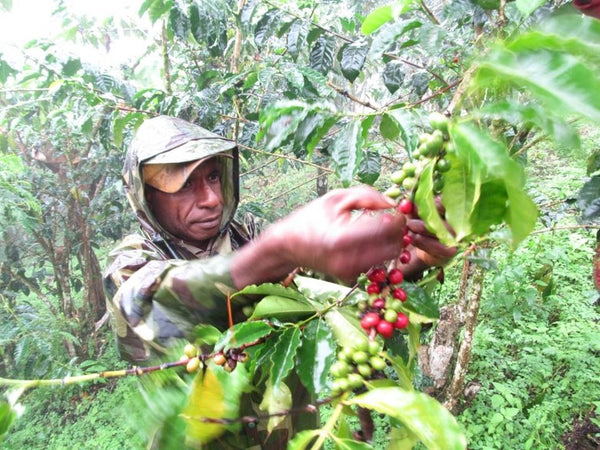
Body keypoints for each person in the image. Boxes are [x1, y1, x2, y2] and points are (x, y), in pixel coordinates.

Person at [102, 115, 455, 447]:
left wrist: (417, 256)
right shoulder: (129, 264)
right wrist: (279, 251)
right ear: (146, 196)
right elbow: (156, 304)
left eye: (212, 177)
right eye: (184, 185)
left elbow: (330, 285)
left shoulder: (247, 233)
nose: (210, 199)